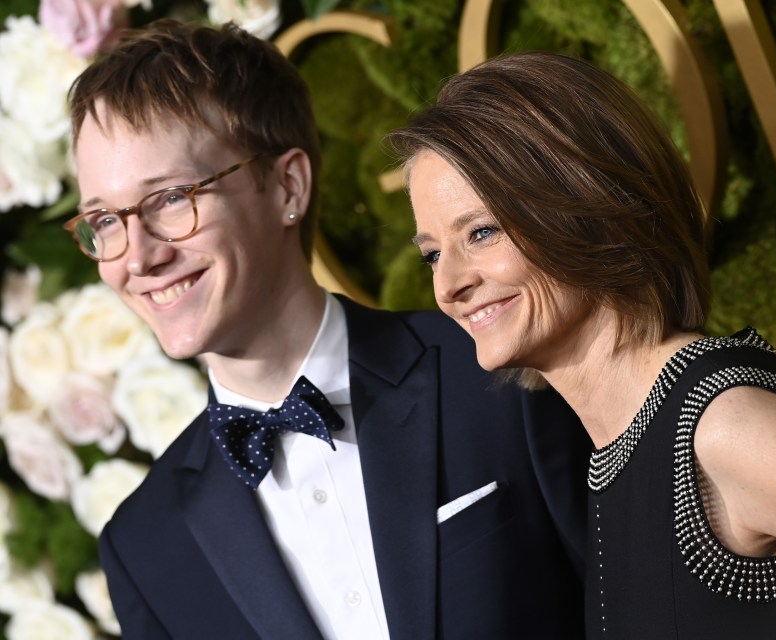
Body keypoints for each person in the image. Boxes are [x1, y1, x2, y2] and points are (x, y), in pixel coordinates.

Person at [389, 51, 776, 639]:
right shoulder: (616, 452)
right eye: (432, 253)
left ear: (586, 209)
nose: (449, 285)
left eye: (481, 233)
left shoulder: (729, 429)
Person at [64, 22, 591, 640]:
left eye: (170, 199)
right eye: (104, 221)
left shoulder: (502, 370)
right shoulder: (144, 548)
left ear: (287, 186)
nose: (136, 257)